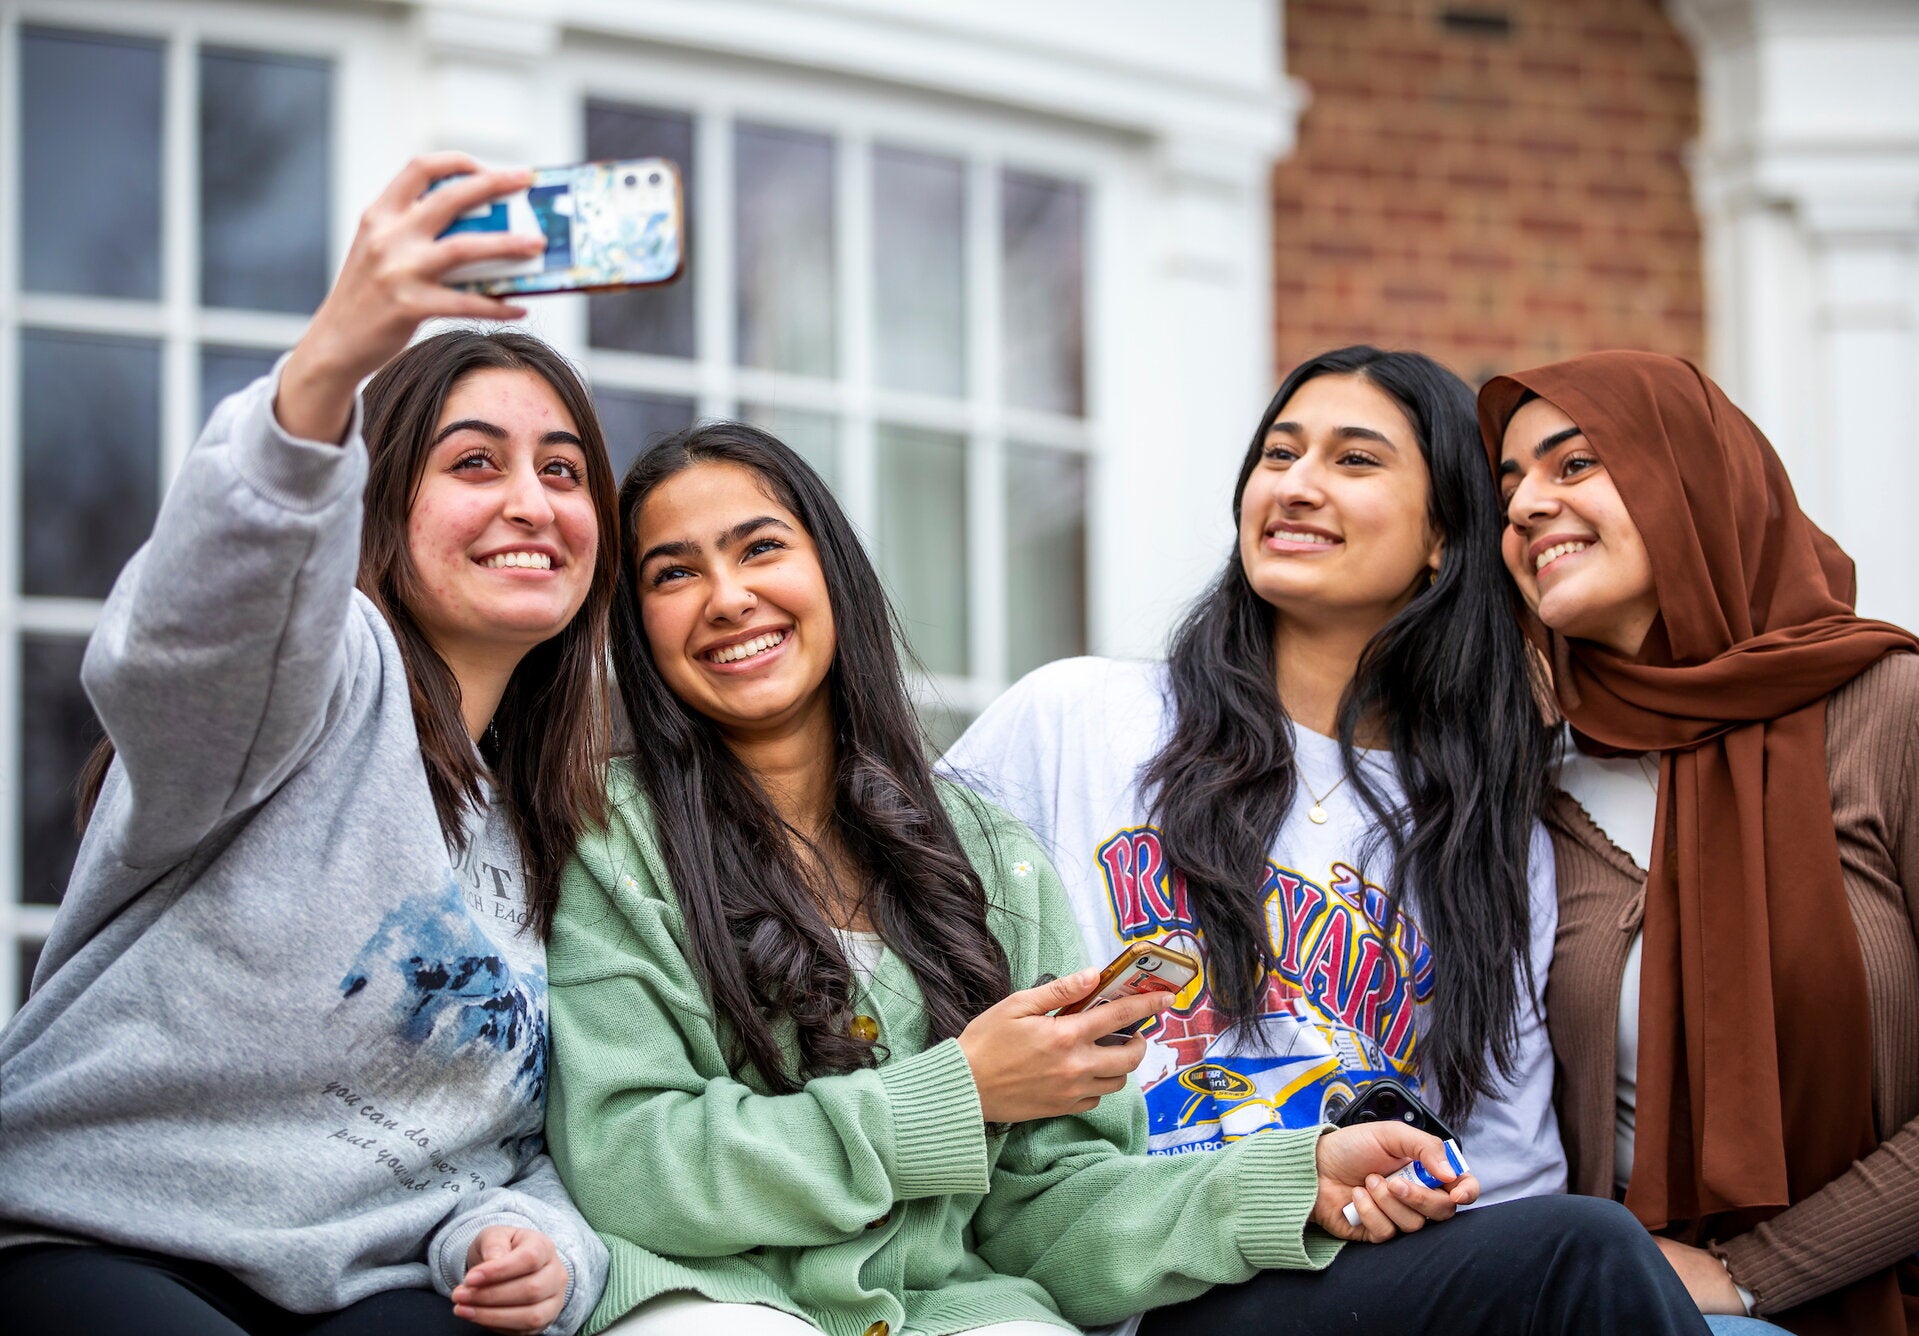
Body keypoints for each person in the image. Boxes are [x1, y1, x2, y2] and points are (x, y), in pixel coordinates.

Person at [543, 419, 1711, 1336]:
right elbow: (633, 1166)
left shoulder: (979, 853)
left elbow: (1053, 1209)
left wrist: (1292, 1180)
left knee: (1580, 1246)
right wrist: (962, 1092)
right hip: (710, 1299)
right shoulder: (618, 839)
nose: (728, 596)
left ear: (832, 573)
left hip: (965, 1309)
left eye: (759, 548)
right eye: (671, 573)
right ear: (634, 623)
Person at [0, 155, 614, 1336]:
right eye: (475, 462)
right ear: (380, 497)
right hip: (106, 1233)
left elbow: (532, 1145)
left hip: (364, 1282)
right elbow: (183, 642)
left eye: (565, 470)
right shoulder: (322, 665)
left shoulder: (553, 823)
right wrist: (331, 363)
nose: (533, 502)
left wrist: (540, 1245)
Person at [944, 346, 1566, 1203]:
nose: (1296, 484)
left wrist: (1424, 1198)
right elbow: (885, 938)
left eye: (1353, 459)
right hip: (1116, 1258)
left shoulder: (1486, 835)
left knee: (1592, 1253)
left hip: (1357, 1277)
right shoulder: (1077, 718)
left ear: (1444, 535)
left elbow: (1510, 1166)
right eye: (1279, 453)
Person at [1485, 350, 1919, 1335]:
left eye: (1573, 464)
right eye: (1508, 486)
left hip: (1907, 1296)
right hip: (1620, 1306)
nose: (1521, 507)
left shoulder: (1893, 706)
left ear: (1689, 479)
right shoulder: (1530, 789)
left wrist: (1748, 1275)